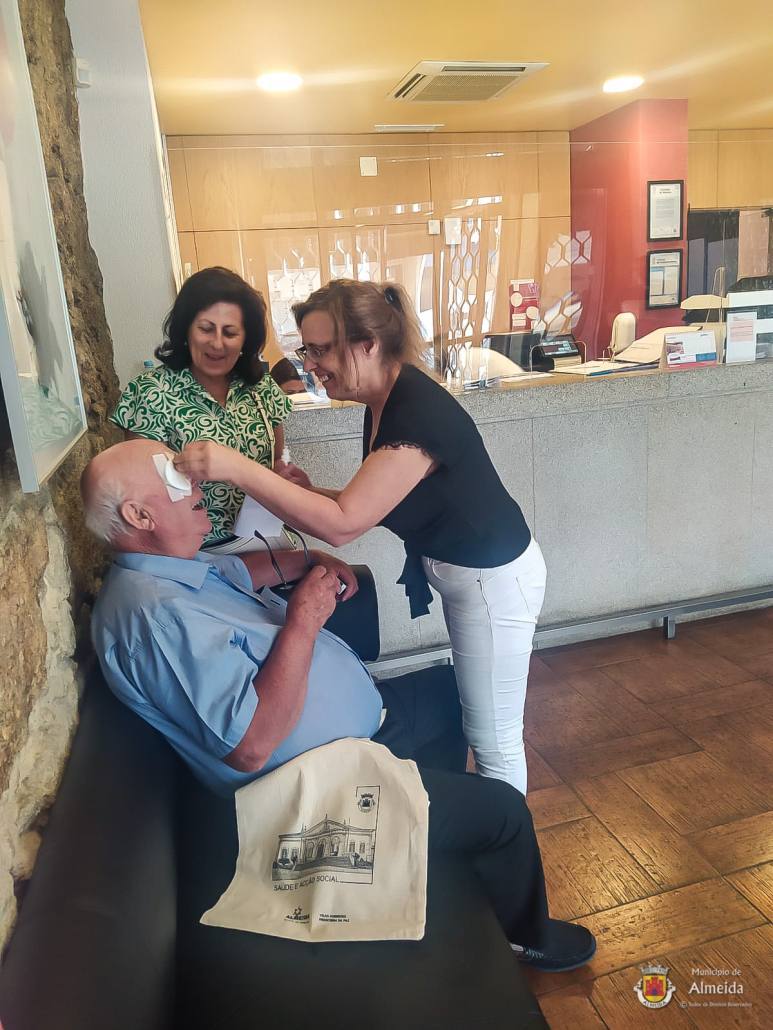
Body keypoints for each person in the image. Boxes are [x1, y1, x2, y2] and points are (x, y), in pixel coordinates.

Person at [83, 439, 595, 974]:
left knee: (450, 694)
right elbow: (251, 745)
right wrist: (303, 620)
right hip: (312, 787)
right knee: (504, 813)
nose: (196, 484)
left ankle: (422, 852)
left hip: (357, 737)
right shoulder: (155, 619)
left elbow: (240, 572)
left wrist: (313, 559)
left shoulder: (169, 569)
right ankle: (524, 937)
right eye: (174, 477)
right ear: (139, 516)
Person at [173, 279, 547, 793]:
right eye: (307, 350)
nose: (311, 364)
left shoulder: (415, 413)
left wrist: (237, 467)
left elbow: (344, 524)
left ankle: (507, 838)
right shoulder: (385, 399)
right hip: (470, 579)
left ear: (368, 344)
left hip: (493, 584)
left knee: (495, 741)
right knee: (482, 725)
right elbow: (370, 500)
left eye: (321, 350)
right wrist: (308, 491)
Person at [110, 266, 295, 549]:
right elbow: (145, 494)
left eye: (230, 333)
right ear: (186, 329)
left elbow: (276, 465)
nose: (217, 343)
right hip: (195, 551)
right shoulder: (150, 392)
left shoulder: (261, 387)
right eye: (206, 329)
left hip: (265, 536)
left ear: (246, 340)